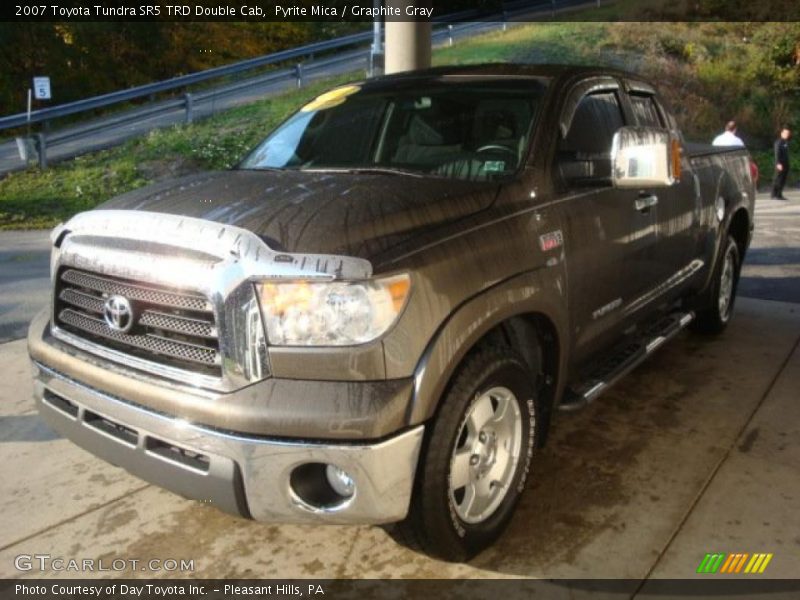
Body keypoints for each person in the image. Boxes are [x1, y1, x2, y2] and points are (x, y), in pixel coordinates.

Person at [771, 126, 791, 200]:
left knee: (783, 179)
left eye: (788, 133)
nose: (787, 135)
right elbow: (777, 153)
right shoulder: (778, 142)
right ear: (781, 133)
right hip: (780, 164)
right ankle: (774, 194)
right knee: (777, 179)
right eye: (785, 133)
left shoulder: (785, 142)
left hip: (786, 164)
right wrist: (778, 163)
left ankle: (779, 194)